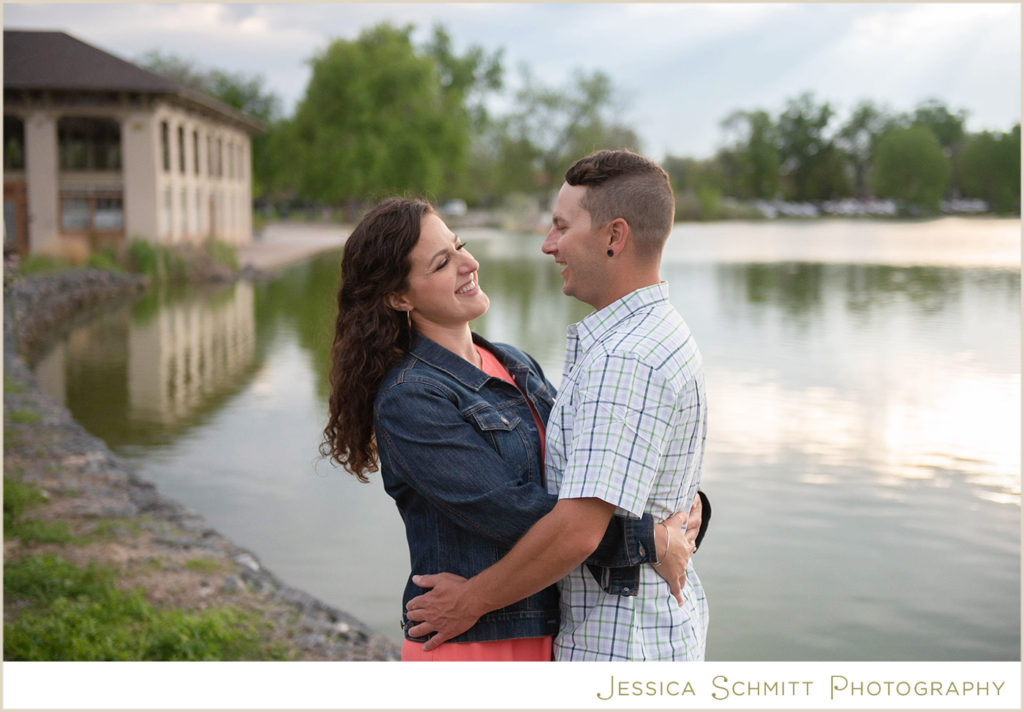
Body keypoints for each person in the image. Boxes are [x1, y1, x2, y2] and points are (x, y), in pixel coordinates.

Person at [321, 197, 701, 661]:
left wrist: (686, 505)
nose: (469, 263)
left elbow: (595, 461)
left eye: (460, 246)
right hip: (475, 641)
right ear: (400, 298)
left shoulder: (513, 362)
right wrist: (654, 540)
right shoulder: (410, 398)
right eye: (443, 263)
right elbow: (518, 512)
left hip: (552, 630)